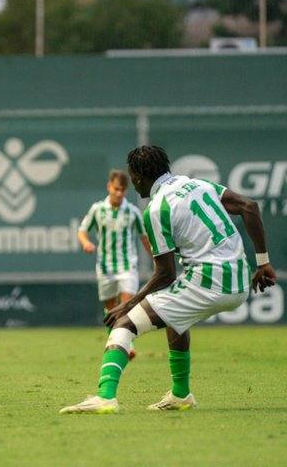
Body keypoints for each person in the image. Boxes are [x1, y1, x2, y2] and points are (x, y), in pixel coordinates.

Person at [60, 145, 276, 414]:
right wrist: (264, 263)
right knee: (176, 318)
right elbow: (249, 206)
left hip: (208, 283)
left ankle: (105, 396)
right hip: (241, 280)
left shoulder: (157, 209)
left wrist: (128, 304)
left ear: (138, 177)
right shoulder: (197, 184)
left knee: (124, 326)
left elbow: (165, 274)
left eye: (133, 176)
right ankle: (181, 394)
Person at [78, 169, 151, 358]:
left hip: (127, 267)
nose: (119, 193)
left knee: (126, 306)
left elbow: (144, 238)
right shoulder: (98, 209)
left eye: (123, 190)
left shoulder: (133, 212)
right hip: (105, 267)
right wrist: (86, 243)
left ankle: (127, 345)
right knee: (111, 310)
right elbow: (82, 230)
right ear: (109, 187)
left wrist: (156, 259)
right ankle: (113, 341)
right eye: (116, 189)